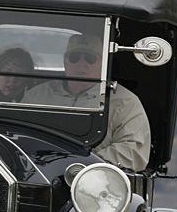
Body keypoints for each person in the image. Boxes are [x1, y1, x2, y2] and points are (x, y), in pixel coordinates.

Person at [22, 34, 151, 170]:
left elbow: (133, 150)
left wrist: (85, 164)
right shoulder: (36, 95)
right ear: (65, 61)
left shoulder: (126, 102)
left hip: (96, 179)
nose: (81, 64)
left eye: (90, 59)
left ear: (102, 63)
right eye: (74, 58)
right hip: (38, 171)